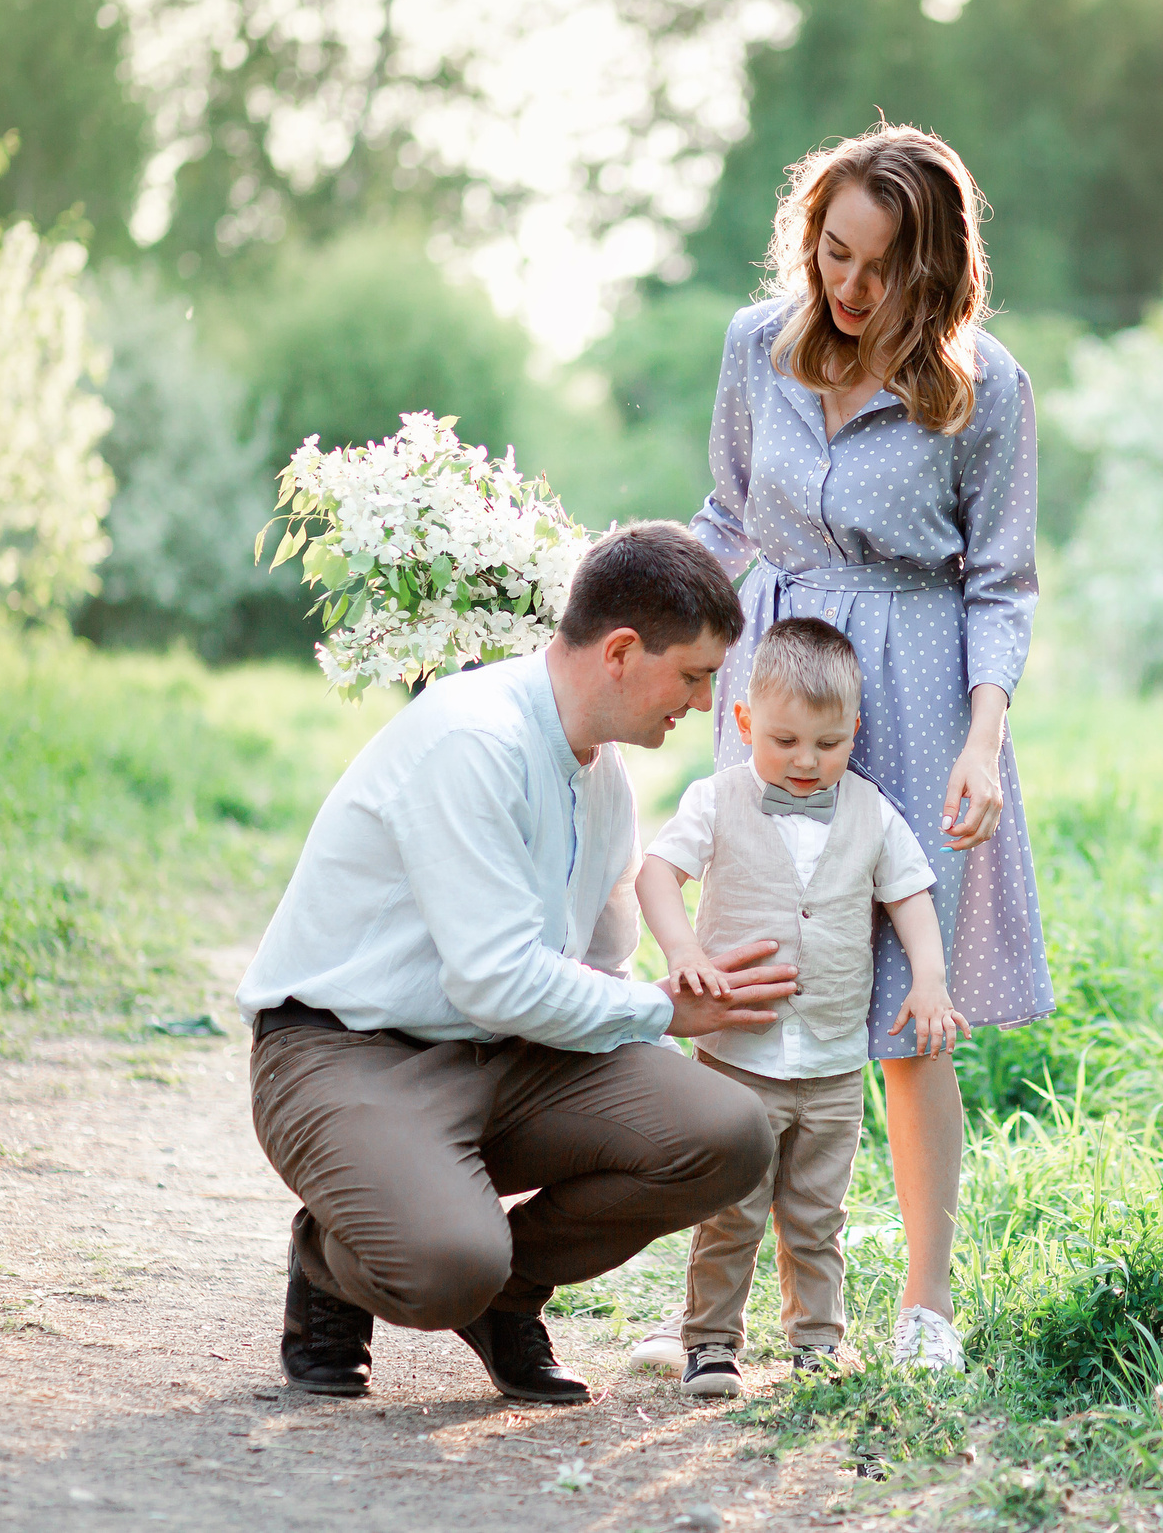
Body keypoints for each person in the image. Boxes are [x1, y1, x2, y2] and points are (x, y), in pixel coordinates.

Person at [630, 122, 1052, 1376]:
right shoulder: (754, 348)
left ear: (935, 274)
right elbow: (724, 518)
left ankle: (924, 1307)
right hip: (776, 680)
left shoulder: (986, 390)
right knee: (749, 985)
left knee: (905, 1013)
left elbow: (1002, 583)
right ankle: (715, 1313)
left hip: (919, 695)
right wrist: (628, 620)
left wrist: (983, 739)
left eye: (881, 268)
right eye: (833, 254)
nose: (851, 288)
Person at [238, 521, 800, 1403]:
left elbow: (600, 969)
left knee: (727, 1134)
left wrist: (681, 990)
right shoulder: (474, 740)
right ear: (621, 650)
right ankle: (333, 1258)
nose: (699, 702)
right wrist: (660, 1011)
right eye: (693, 676)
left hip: (511, 1052)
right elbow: (495, 978)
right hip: (346, 1051)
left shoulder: (605, 775)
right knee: (444, 1263)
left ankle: (506, 1297)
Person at [636, 617, 968, 1398]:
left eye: (828, 743)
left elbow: (911, 896)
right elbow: (657, 874)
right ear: (745, 721)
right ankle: (711, 1342)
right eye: (784, 741)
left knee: (819, 1215)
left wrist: (929, 979)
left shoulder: (872, 810)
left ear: (855, 728)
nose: (807, 762)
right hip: (737, 1058)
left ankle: (817, 1344)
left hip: (830, 1064)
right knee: (730, 1212)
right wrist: (683, 953)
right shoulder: (715, 799)